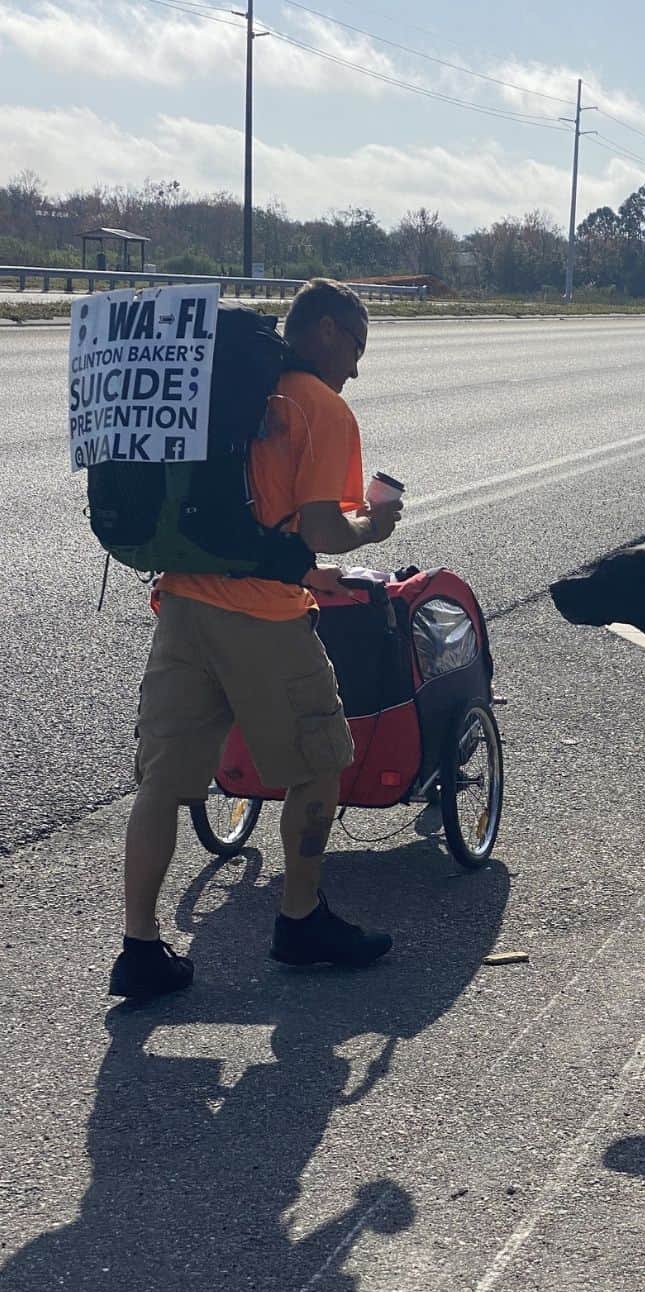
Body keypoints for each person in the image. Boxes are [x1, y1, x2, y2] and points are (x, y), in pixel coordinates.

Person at [109, 279, 404, 1000]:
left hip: (181, 599)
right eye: (358, 347)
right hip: (265, 615)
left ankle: (140, 948)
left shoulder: (219, 394)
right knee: (320, 763)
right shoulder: (318, 405)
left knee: (162, 781)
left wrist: (312, 568)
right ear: (329, 331)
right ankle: (300, 921)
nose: (358, 367)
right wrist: (376, 523)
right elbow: (319, 527)